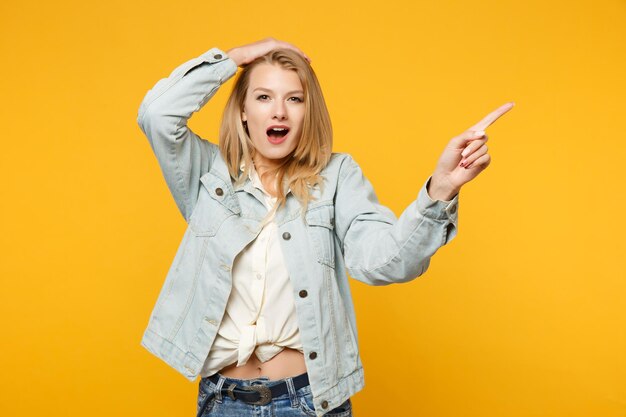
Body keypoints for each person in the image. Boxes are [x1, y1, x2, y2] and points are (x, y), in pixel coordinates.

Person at [136, 37, 514, 417]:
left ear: (307, 112)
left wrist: (440, 190)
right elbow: (157, 115)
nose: (279, 112)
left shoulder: (336, 178)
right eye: (264, 97)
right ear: (243, 110)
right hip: (222, 402)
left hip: (308, 403)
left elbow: (385, 261)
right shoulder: (207, 174)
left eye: (294, 99)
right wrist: (234, 59)